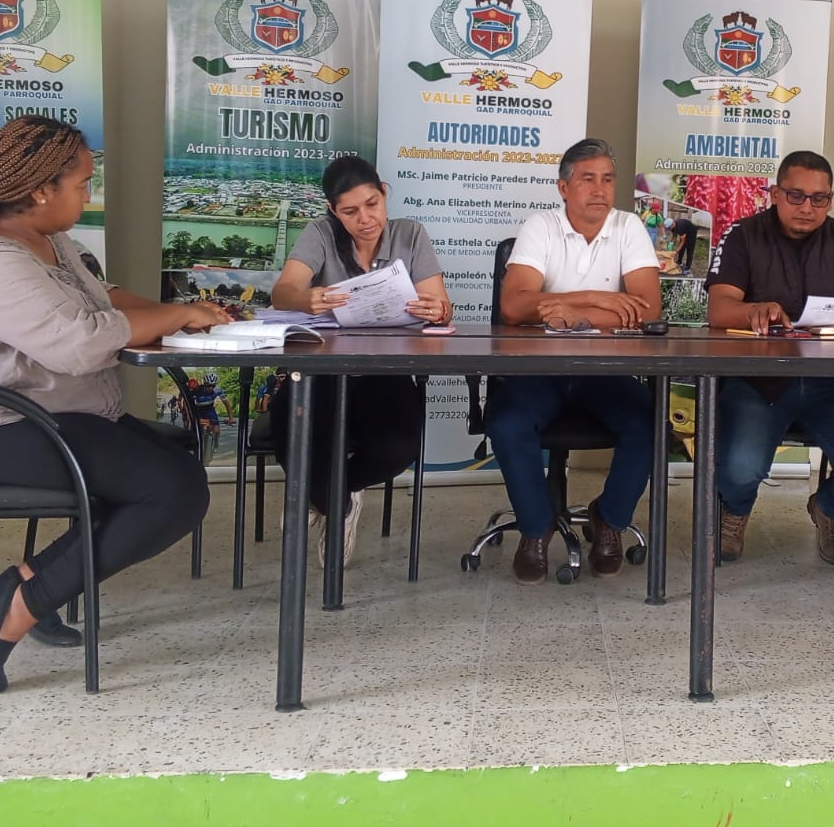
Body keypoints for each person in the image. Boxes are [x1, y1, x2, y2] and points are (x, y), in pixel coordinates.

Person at [0, 114, 228, 695]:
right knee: (172, 493)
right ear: (42, 189)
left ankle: (33, 586)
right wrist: (175, 317)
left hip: (57, 417)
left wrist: (184, 315)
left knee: (177, 471)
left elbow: (102, 298)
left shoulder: (48, 239)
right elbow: (80, 344)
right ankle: (18, 604)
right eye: (84, 182)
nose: (90, 193)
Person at [706, 151, 834, 566]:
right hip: (758, 380)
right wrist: (753, 310)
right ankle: (735, 509)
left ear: (830, 199)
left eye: (819, 198)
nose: (807, 207)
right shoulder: (743, 234)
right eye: (795, 195)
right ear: (775, 193)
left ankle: (828, 508)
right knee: (739, 468)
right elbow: (719, 309)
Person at [487, 138, 658, 583]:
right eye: (587, 179)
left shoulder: (628, 227)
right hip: (541, 370)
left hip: (605, 372)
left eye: (608, 179)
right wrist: (598, 299)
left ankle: (609, 519)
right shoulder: (541, 227)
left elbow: (648, 311)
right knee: (506, 422)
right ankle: (535, 527)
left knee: (649, 423)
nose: (600, 189)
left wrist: (570, 313)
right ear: (564, 188)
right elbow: (514, 307)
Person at [269, 154, 452, 567]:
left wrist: (438, 311)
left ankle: (328, 496)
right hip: (322, 371)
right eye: (350, 211)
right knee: (290, 429)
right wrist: (305, 299)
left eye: (372, 204)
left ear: (384, 193)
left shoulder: (410, 234)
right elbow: (283, 292)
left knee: (398, 446)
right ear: (333, 210)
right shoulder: (320, 233)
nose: (365, 219)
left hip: (387, 370)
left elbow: (442, 305)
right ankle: (338, 503)